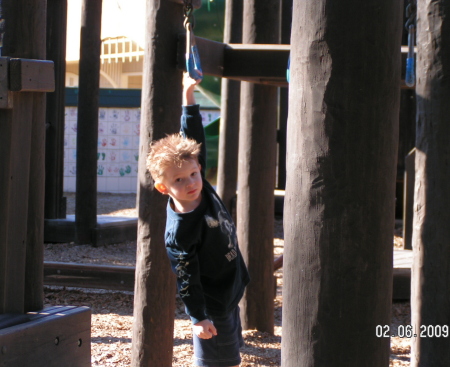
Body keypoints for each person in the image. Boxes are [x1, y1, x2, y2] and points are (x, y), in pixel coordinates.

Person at [146, 73, 250, 367]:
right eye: (180, 179)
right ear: (164, 187)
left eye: (194, 173)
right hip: (212, 304)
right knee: (219, 360)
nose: (191, 182)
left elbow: (193, 136)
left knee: (231, 345)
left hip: (229, 286)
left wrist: (188, 94)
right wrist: (198, 318)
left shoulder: (199, 184)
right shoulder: (180, 232)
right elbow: (186, 279)